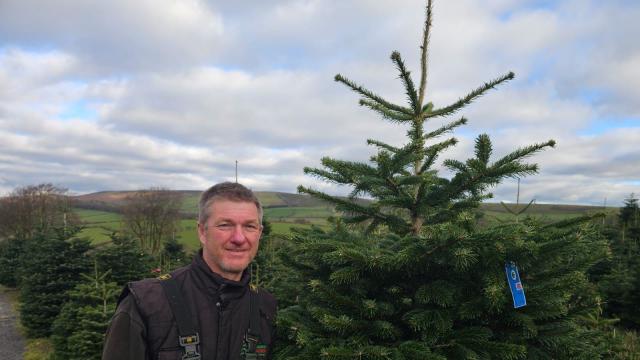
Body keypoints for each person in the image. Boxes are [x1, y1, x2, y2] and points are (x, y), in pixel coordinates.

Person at [102, 182, 276, 360]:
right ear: (202, 231)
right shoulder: (145, 303)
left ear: (260, 233)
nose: (239, 238)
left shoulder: (266, 307)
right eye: (225, 225)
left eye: (250, 226)